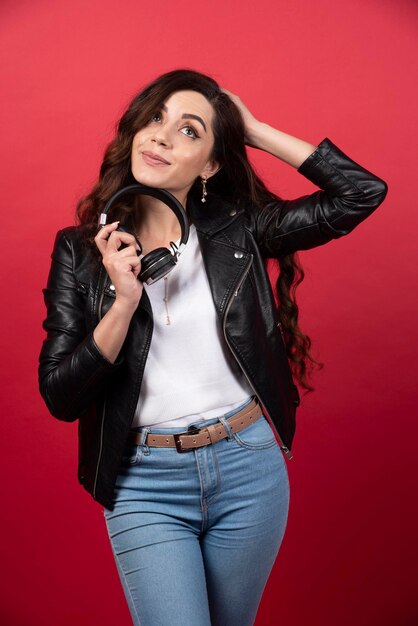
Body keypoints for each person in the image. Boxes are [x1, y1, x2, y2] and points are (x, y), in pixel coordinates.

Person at [38, 68, 388, 626]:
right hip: (143, 479)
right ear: (132, 132)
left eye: (189, 130)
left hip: (248, 467)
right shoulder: (80, 254)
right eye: (154, 119)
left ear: (211, 164)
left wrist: (254, 129)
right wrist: (124, 301)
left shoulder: (240, 229)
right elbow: (60, 396)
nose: (161, 136)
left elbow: (361, 193)